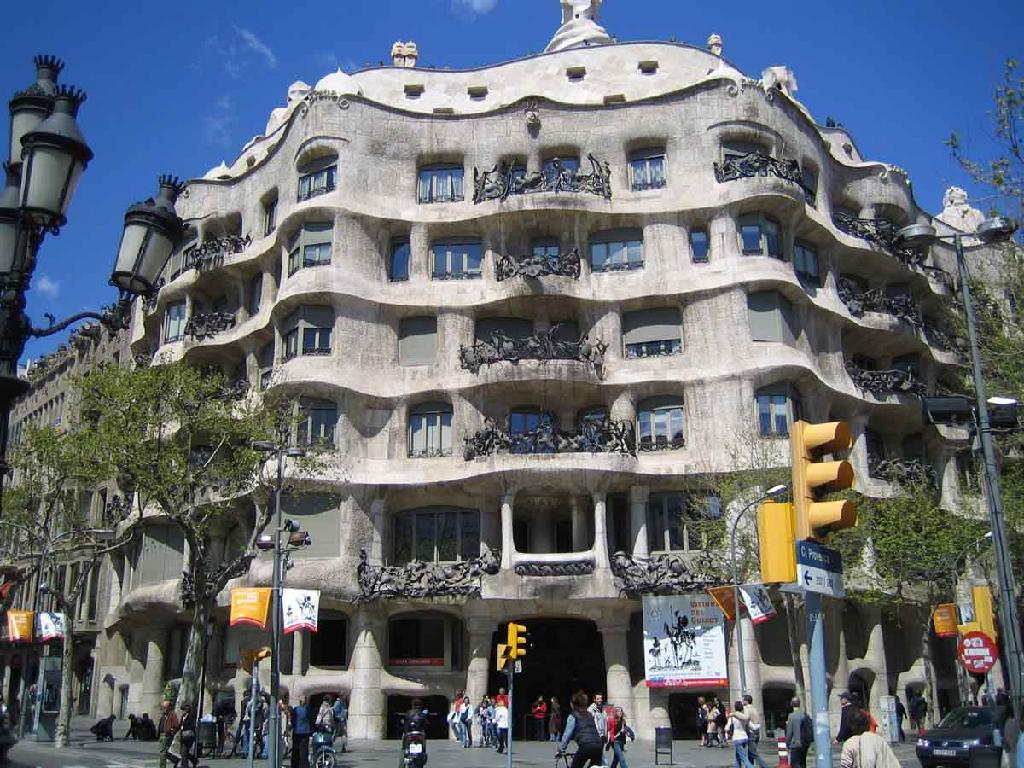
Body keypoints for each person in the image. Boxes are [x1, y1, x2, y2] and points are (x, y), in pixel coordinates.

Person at [558, 690, 606, 768]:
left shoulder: (573, 716)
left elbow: (567, 735)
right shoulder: (589, 714)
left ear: (573, 704)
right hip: (598, 745)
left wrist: (561, 750)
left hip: (586, 746)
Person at [743, 694, 770, 768]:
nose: (742, 701)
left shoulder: (746, 709)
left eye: (743, 700)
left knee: (753, 753)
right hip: (756, 732)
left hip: (750, 732)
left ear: (746, 701)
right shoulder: (754, 709)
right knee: (750, 753)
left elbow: (745, 719)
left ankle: (764, 766)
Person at [785, 697, 813, 768]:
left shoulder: (791, 716)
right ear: (799, 704)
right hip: (805, 743)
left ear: (791, 704)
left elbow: (789, 733)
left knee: (795, 764)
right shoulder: (805, 714)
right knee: (803, 763)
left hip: (795, 744)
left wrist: (787, 744)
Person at [727, 700, 754, 768]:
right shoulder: (744, 716)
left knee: (744, 758)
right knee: (738, 756)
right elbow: (750, 726)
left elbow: (727, 728)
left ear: (735, 707)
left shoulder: (733, 717)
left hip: (737, 738)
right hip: (745, 737)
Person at [290, 695, 311, 768]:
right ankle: (304, 765)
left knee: (295, 750)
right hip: (305, 732)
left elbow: (292, 720)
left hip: (297, 731)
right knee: (304, 751)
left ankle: (295, 765)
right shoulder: (307, 709)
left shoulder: (296, 709)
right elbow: (310, 719)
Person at [157, 700, 180, 768]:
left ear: (169, 707)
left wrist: (171, 731)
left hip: (167, 735)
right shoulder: (164, 715)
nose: (164, 708)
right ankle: (175, 760)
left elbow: (176, 725)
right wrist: (158, 734)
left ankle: (162, 766)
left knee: (162, 752)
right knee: (164, 752)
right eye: (163, 707)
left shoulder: (172, 714)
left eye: (165, 707)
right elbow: (161, 724)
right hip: (162, 735)